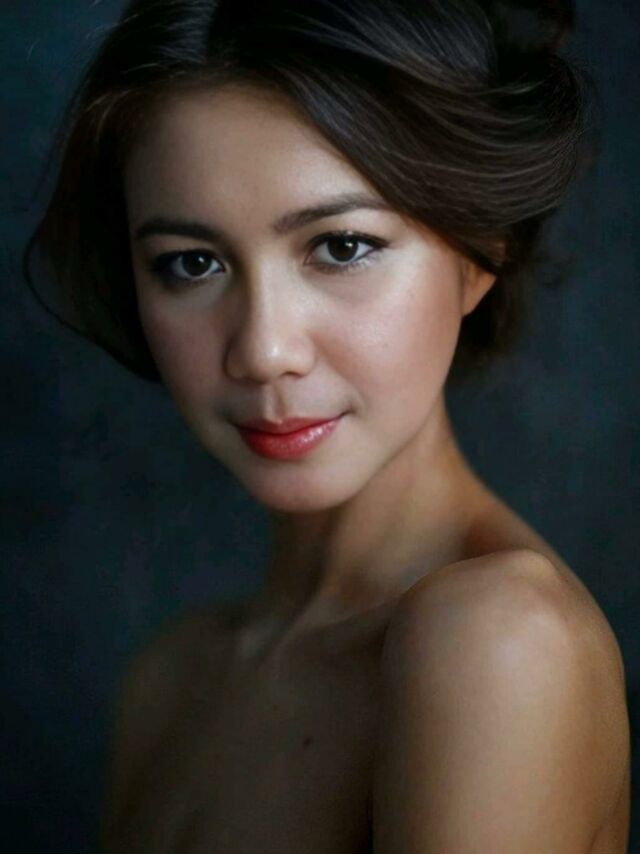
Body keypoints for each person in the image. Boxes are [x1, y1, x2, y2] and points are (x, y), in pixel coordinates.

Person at [23, 0, 630, 850]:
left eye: (340, 246)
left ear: (480, 248)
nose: (263, 351)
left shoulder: (498, 640)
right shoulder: (170, 678)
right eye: (191, 263)